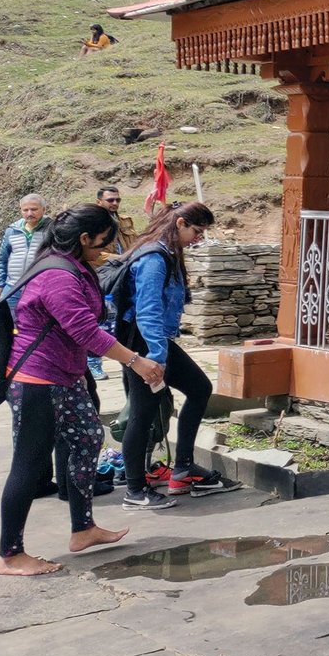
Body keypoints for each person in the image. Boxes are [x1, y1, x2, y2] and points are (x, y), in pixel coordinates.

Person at [0, 204, 166, 576]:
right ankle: (10, 555)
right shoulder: (57, 275)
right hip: (37, 381)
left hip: (67, 377)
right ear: (84, 238)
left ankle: (83, 528)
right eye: (102, 242)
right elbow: (85, 332)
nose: (105, 249)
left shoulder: (75, 265)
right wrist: (136, 360)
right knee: (29, 462)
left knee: (89, 439)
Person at [116, 201, 233, 508]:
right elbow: (148, 310)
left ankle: (182, 468)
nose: (199, 238)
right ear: (180, 223)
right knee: (142, 414)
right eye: (197, 230)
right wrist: (155, 356)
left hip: (155, 342)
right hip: (144, 344)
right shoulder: (154, 257)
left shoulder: (166, 251)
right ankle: (135, 491)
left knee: (199, 388)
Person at [88, 187, 135, 381]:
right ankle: (93, 363)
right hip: (101, 276)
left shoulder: (125, 221)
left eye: (117, 200)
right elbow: (95, 253)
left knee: (122, 319)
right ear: (99, 202)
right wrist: (122, 258)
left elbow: (135, 243)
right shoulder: (92, 222)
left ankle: (127, 359)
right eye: (110, 200)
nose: (114, 203)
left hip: (124, 274)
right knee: (100, 321)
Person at [0, 195, 50, 308]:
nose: (29, 213)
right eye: (25, 210)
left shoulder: (52, 230)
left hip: (39, 288)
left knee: (33, 323)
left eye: (34, 209)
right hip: (12, 287)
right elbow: (2, 259)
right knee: (8, 322)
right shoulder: (12, 230)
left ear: (44, 209)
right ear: (21, 210)